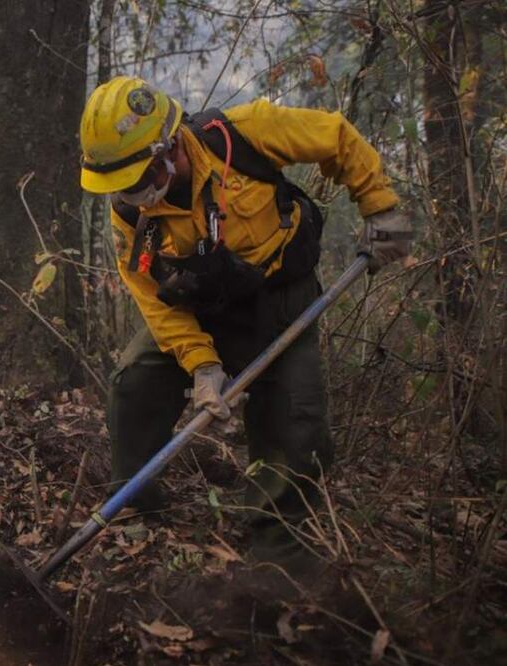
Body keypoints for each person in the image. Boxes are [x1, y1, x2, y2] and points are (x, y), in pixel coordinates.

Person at [79, 76, 412, 562]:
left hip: (279, 301)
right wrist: (202, 365)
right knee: (134, 383)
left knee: (294, 420)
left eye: (136, 180)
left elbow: (335, 136)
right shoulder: (131, 214)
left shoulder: (244, 134)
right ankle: (138, 512)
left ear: (168, 149)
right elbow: (150, 296)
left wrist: (380, 209)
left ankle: (278, 554)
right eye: (119, 186)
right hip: (198, 310)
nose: (130, 195)